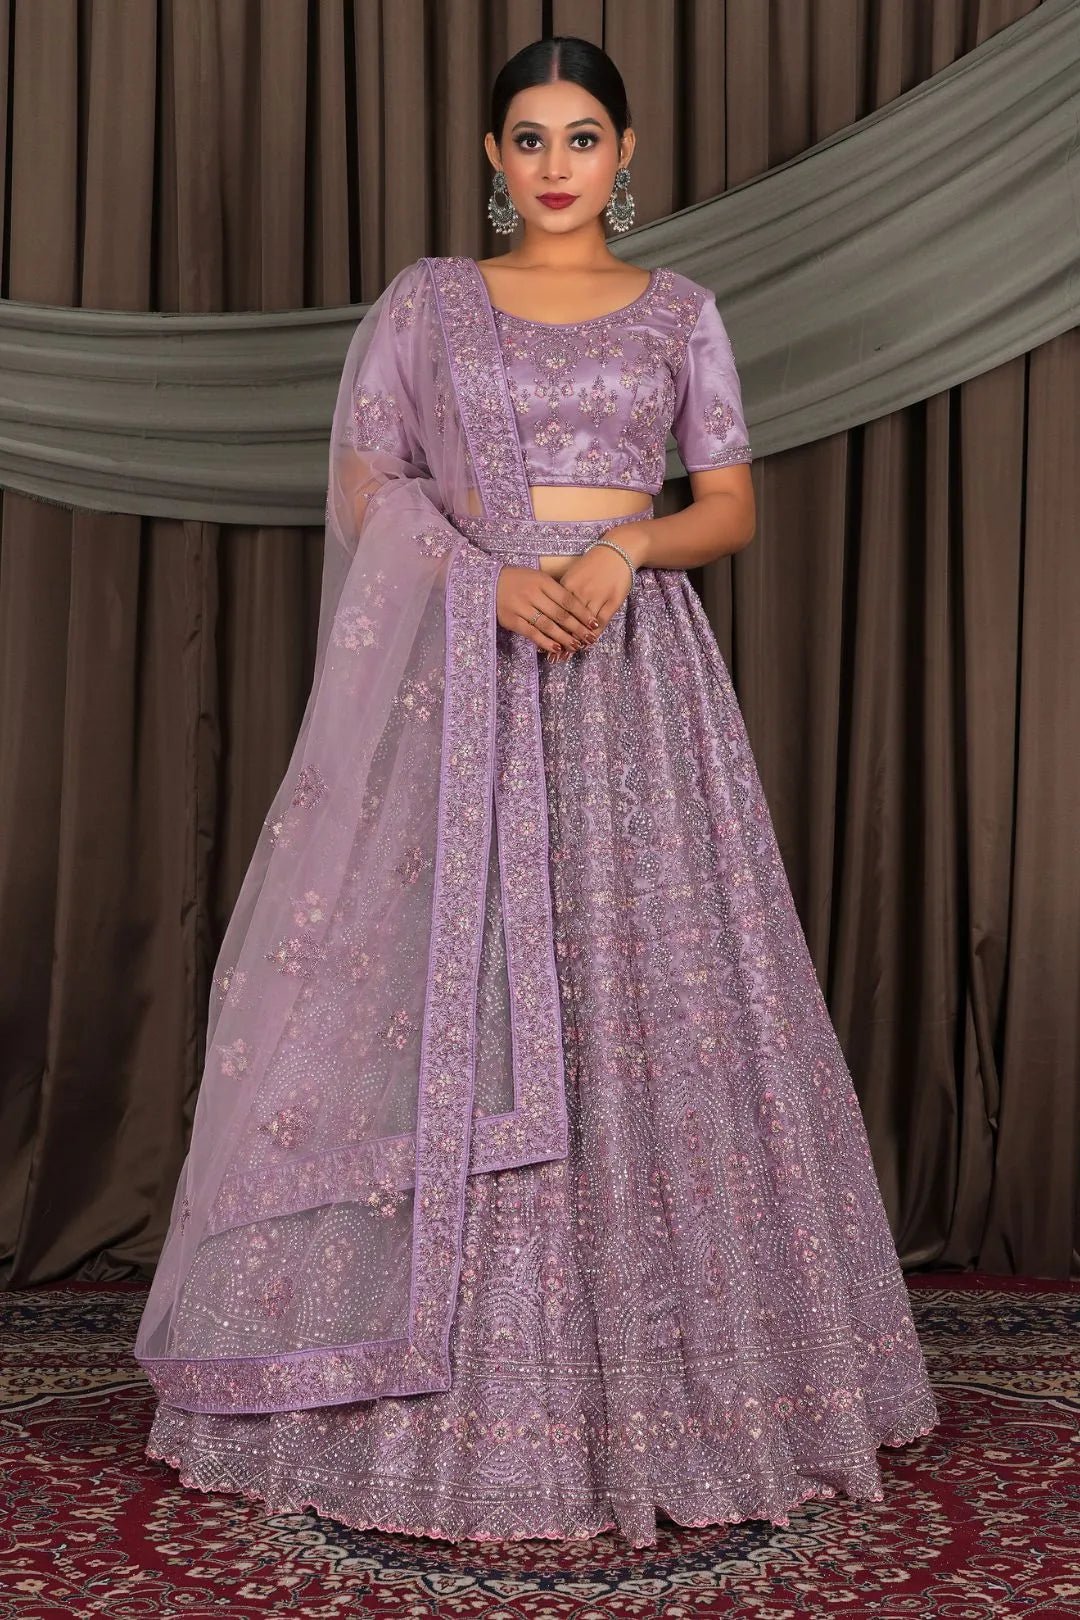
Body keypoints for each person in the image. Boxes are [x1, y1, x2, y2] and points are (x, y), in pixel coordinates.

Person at [134, 35, 939, 1550]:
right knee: (464, 989)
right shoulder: (429, 306)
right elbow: (368, 487)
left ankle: (684, 1384)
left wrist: (624, 549)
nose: (555, 164)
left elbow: (729, 504)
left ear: (624, 155)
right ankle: (436, 1383)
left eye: (581, 137)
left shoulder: (681, 311)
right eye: (528, 137)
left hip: (637, 681)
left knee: (646, 994)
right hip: (469, 676)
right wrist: (485, 582)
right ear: (493, 158)